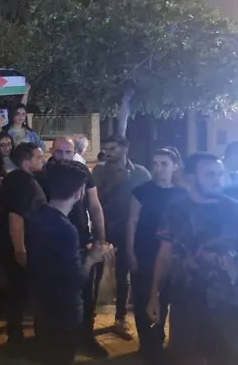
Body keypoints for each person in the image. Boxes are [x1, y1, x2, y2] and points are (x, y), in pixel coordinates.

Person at [147, 153, 238, 365]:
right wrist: (154, 295)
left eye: (220, 174)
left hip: (226, 303)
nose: (218, 179)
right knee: (186, 356)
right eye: (210, 174)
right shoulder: (176, 208)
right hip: (184, 300)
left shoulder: (233, 209)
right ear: (191, 177)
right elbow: (164, 254)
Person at [26, 161, 110, 365]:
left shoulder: (37, 216)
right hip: (64, 311)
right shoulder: (67, 230)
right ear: (79, 192)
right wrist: (92, 258)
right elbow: (75, 279)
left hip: (42, 304)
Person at [126, 148, 186, 365]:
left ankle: (160, 340)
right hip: (145, 252)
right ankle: (148, 344)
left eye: (164, 164)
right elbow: (132, 223)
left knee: (166, 298)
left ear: (175, 167)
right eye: (155, 163)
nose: (158, 169)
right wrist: (130, 252)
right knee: (144, 299)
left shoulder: (182, 194)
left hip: (171, 256)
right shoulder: (141, 192)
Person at [92, 135, 150, 338]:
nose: (108, 152)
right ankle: (87, 319)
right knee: (96, 273)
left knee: (124, 275)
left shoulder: (140, 173)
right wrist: (114, 183)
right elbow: (94, 200)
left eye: (113, 148)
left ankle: (120, 318)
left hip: (129, 231)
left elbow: (148, 201)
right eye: (106, 149)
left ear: (125, 149)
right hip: (104, 229)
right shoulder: (99, 172)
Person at [0, 142, 46, 348]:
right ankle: (17, 337)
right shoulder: (24, 183)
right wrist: (20, 249)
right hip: (21, 246)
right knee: (20, 291)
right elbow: (16, 217)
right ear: (27, 162)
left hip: (14, 245)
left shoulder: (14, 178)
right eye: (39, 157)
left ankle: (16, 333)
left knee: (17, 291)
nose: (43, 160)